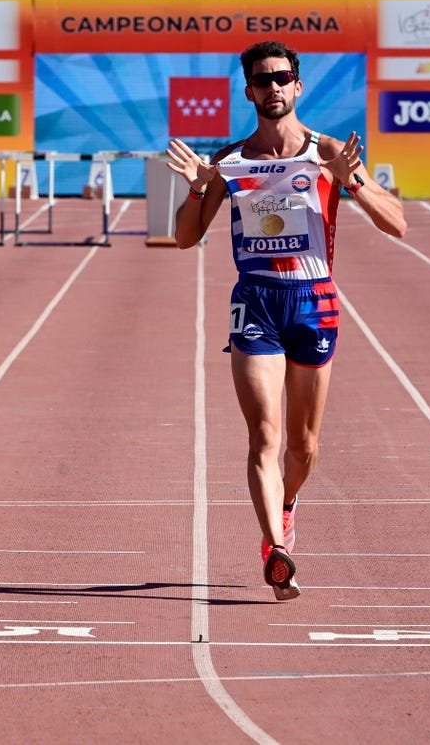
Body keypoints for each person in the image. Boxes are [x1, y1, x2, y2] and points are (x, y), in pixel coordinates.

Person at [166, 40, 407, 601]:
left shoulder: (328, 153)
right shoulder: (230, 161)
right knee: (264, 436)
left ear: (298, 86)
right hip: (256, 302)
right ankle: (276, 549)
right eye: (261, 80)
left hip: (314, 300)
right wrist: (200, 186)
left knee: (302, 447)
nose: (272, 87)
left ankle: (288, 502)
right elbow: (184, 238)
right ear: (248, 91)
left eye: (281, 78)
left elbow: (397, 224)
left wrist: (354, 182)